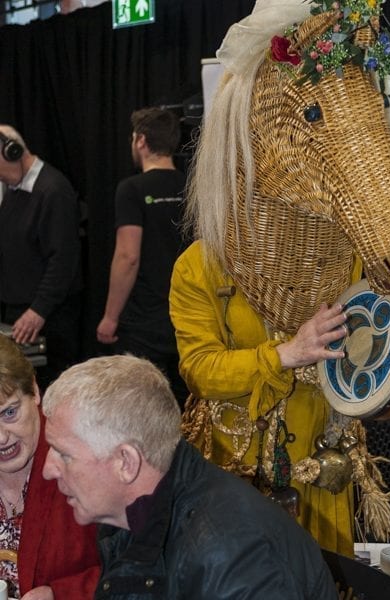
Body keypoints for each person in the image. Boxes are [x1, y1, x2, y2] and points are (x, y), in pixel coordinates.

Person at [41, 354, 338, 599]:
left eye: (64, 454)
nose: (48, 469)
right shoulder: (130, 514)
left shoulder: (230, 553)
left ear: (126, 462)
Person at [170, 242, 356, 553]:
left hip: (320, 454)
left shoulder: (340, 253)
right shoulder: (199, 263)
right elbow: (199, 369)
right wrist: (286, 355)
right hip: (236, 469)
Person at [96, 107, 189, 407]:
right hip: (189, 316)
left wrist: (110, 318)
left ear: (140, 141)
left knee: (143, 408)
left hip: (144, 324)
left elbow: (127, 256)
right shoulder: (191, 185)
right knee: (188, 409)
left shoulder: (132, 189)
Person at [0, 334, 99, 599]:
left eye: (9, 413)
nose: (1, 437)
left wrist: (60, 594)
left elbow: (139, 569)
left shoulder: (86, 459)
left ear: (34, 390)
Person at [0, 125, 83, 392]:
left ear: (12, 153)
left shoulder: (53, 190)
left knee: (46, 393)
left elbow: (64, 260)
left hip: (47, 319)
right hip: (20, 312)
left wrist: (38, 311)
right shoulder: (14, 190)